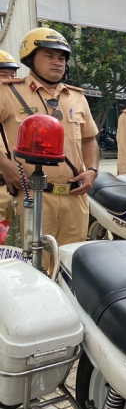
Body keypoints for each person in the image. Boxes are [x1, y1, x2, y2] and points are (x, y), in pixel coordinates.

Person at [0, 27, 99, 251]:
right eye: (49, 56)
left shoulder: (77, 97)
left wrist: (92, 170)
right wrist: (4, 165)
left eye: (62, 57)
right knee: (35, 267)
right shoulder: (8, 92)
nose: (58, 62)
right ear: (31, 59)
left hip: (75, 197)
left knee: (71, 263)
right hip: (33, 197)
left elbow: (89, 139)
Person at [0, 51, 19, 221]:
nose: (8, 80)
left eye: (12, 75)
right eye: (2, 75)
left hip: (15, 190)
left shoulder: (16, 110)